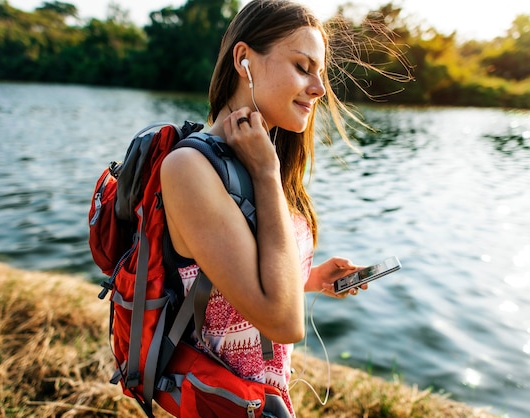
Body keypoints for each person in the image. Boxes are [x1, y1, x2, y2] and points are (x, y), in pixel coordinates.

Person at [160, 0, 375, 415]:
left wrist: (308, 280)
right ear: (244, 60)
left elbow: (232, 282)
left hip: (264, 402)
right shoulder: (191, 168)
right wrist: (267, 173)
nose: (319, 88)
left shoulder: (262, 155)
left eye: (321, 73)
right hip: (225, 402)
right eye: (302, 66)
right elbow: (283, 322)